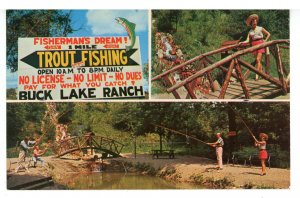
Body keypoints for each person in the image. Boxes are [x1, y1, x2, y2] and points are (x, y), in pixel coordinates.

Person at [239, 14, 271, 80]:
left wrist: (265, 40)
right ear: (251, 23)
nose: (255, 23)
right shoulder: (250, 32)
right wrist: (242, 42)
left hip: (260, 44)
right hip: (254, 45)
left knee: (258, 59)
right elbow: (247, 40)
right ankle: (261, 73)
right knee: (258, 61)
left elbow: (268, 34)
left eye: (255, 22)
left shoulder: (260, 28)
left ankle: (257, 75)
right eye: (253, 22)